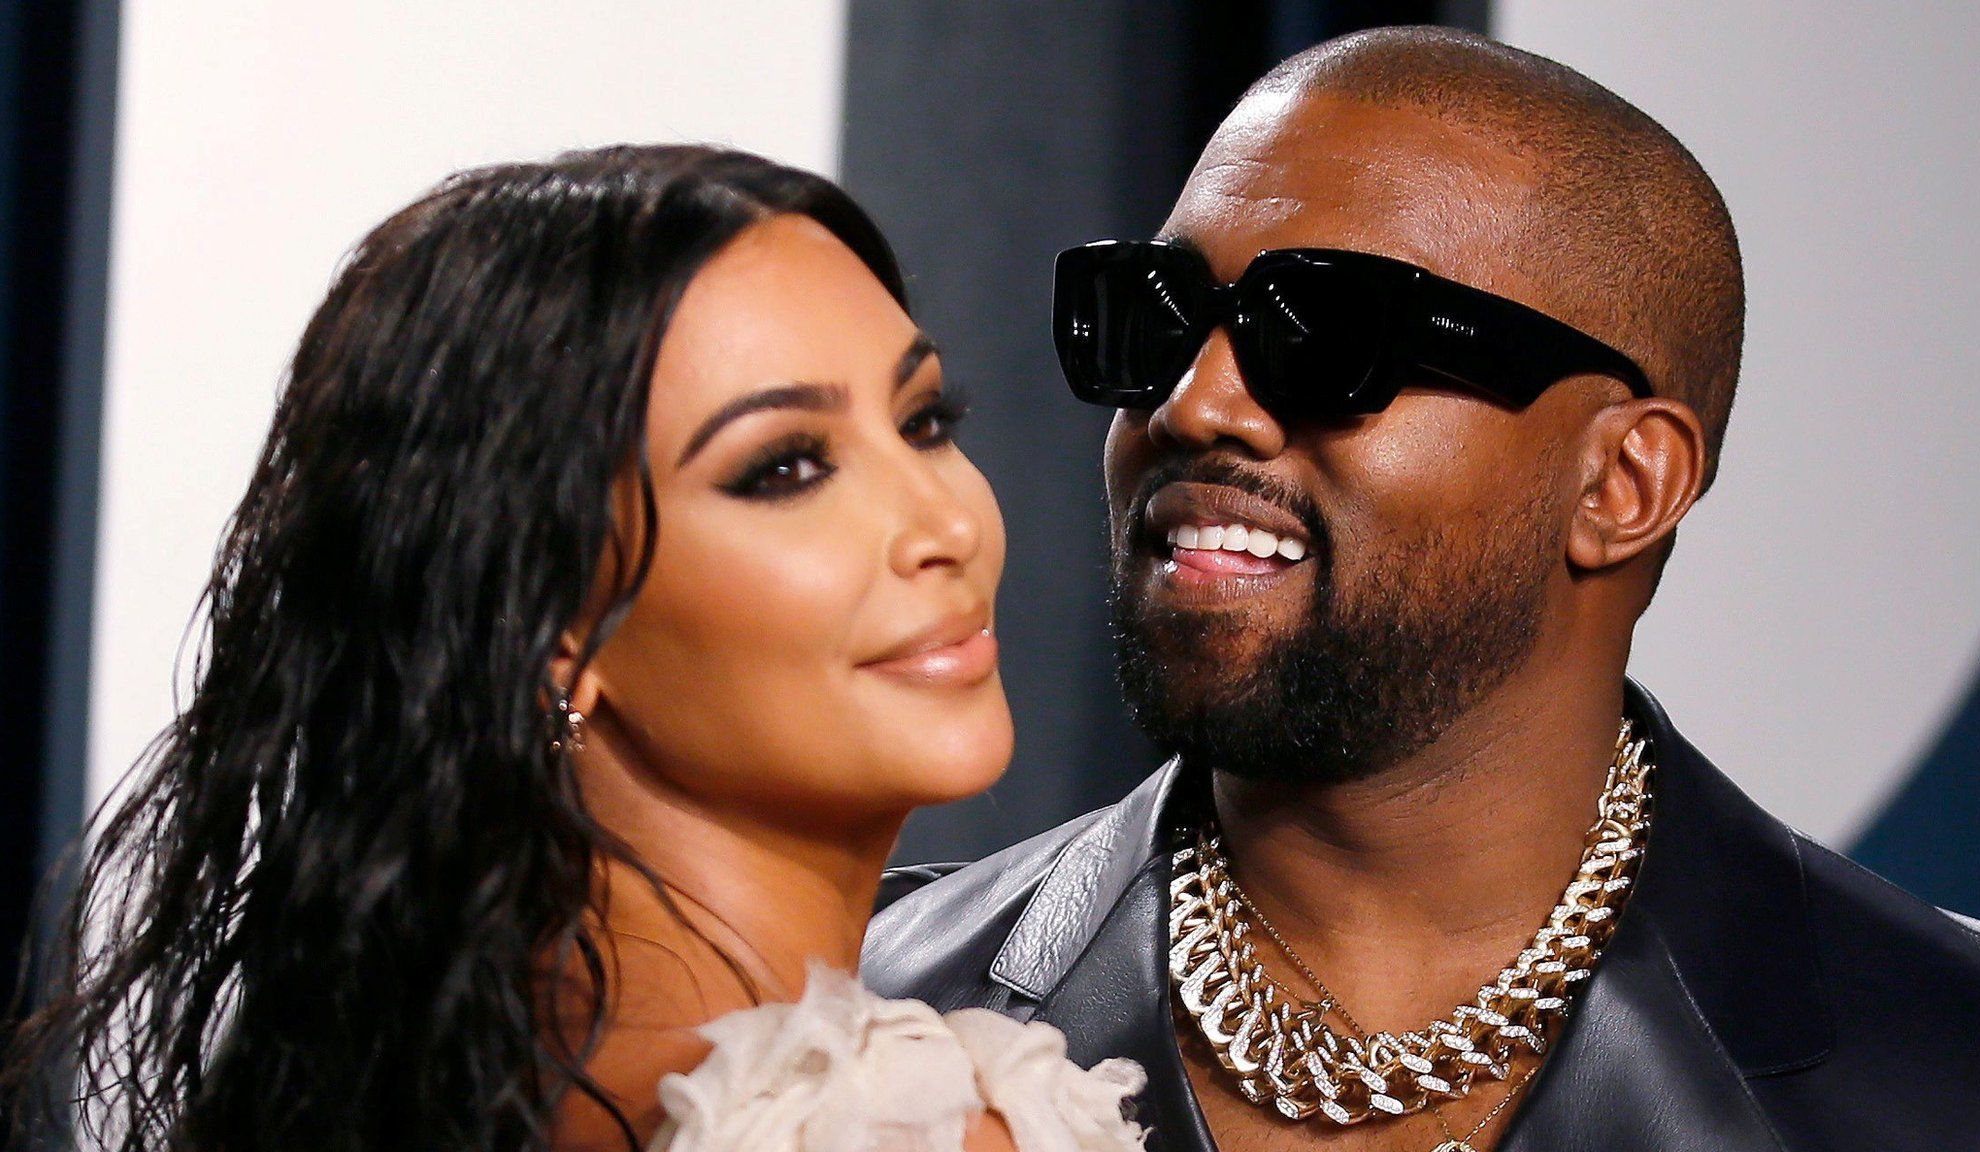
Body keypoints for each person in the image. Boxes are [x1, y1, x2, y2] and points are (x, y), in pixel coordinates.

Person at [863, 27, 1980, 1152]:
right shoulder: (855, 1020)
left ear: (1622, 482)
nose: (1194, 404)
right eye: (1155, 320)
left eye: (1327, 335)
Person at [6, 146, 1143, 1152]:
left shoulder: (426, 1078)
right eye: (785, 468)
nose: (946, 526)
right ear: (546, 626)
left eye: (923, 422)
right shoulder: (900, 1131)